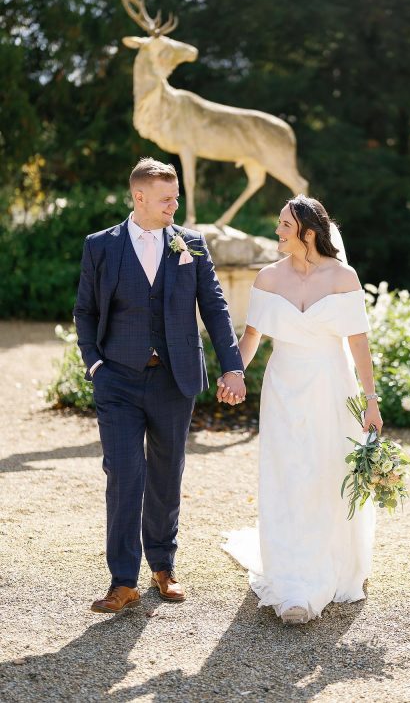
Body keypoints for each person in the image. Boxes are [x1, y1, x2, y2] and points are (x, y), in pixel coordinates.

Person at [74, 157, 245, 614]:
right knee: (124, 474)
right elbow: (85, 310)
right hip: (118, 381)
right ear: (140, 197)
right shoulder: (101, 246)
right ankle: (122, 580)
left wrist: (234, 368)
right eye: (167, 197)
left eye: (176, 196)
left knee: (167, 474)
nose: (175, 204)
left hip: (175, 379)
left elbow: (215, 308)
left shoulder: (191, 244)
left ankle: (163, 567)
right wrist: (94, 364)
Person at [223, 195, 383, 625]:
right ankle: (292, 580)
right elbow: (252, 338)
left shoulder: (342, 277)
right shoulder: (268, 278)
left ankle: (325, 568)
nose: (277, 230)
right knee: (287, 473)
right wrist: (233, 373)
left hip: (331, 386)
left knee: (326, 473)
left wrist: (371, 401)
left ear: (308, 233)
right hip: (283, 388)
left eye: (283, 225)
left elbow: (358, 343)